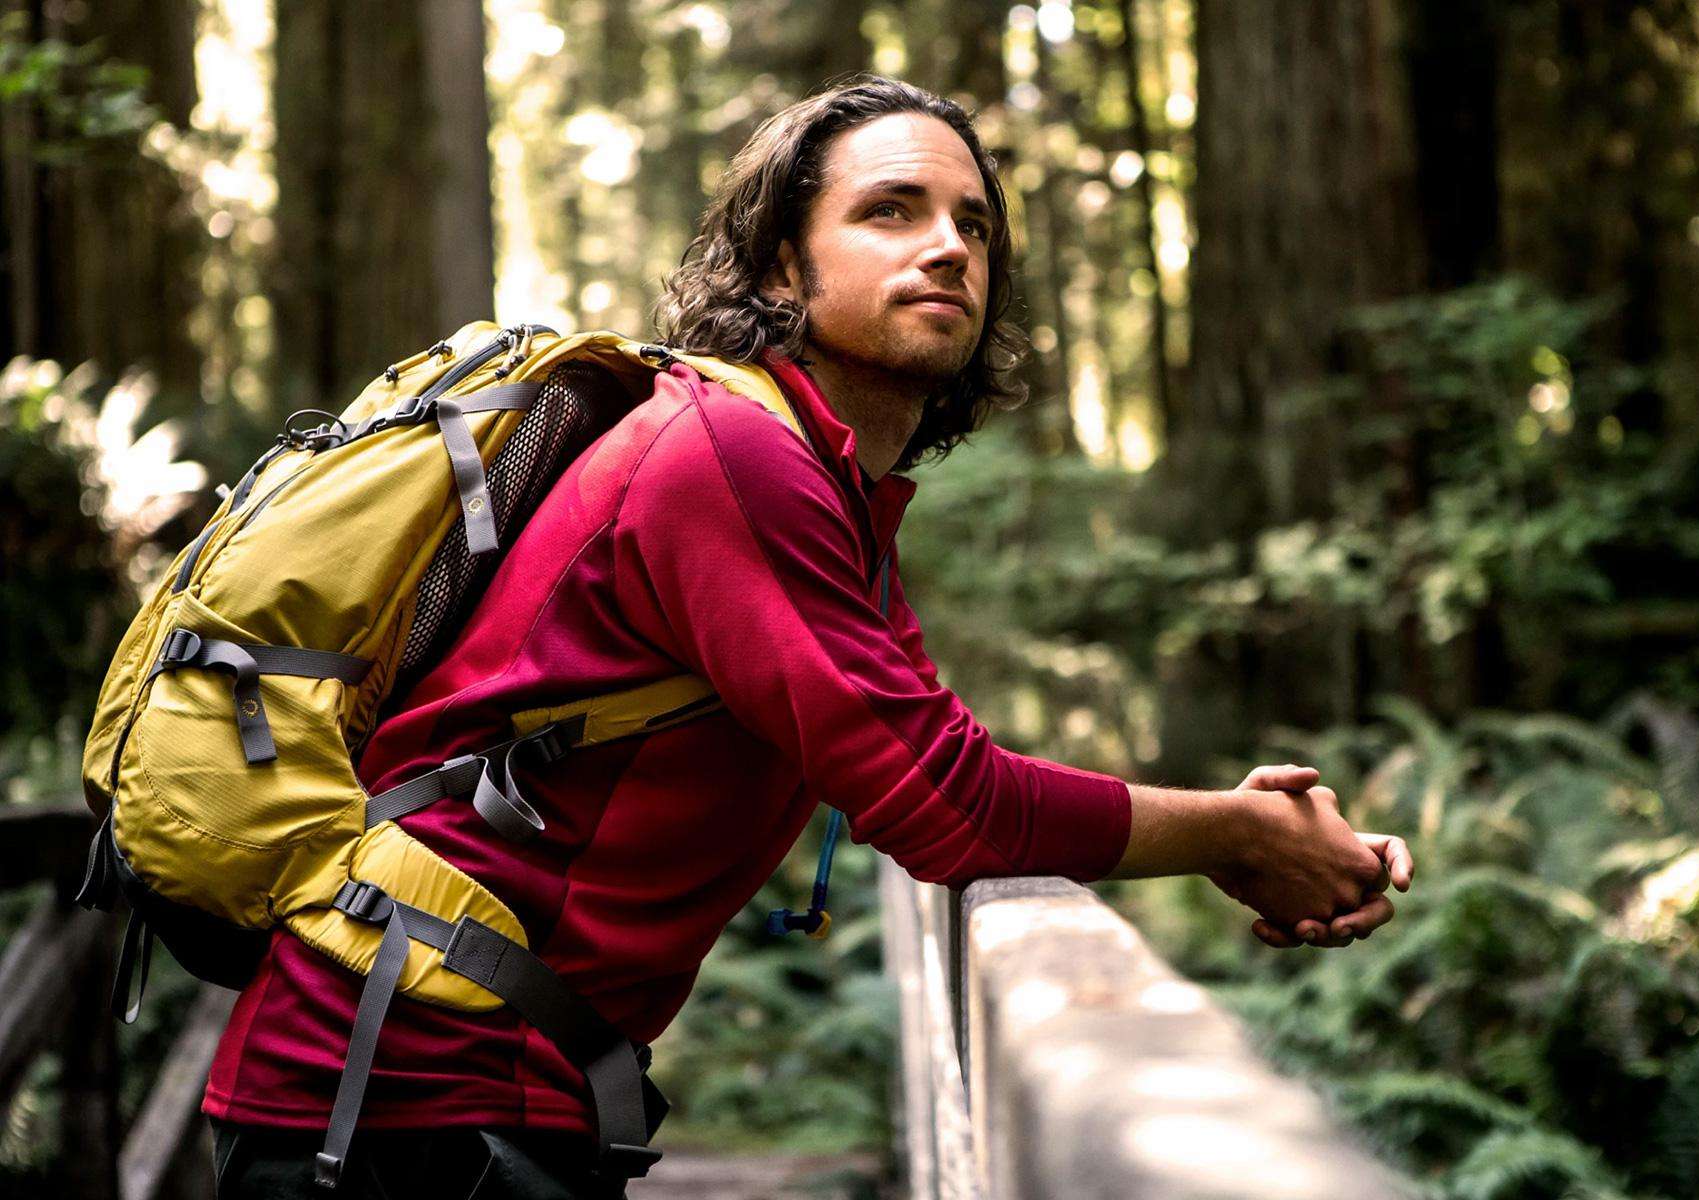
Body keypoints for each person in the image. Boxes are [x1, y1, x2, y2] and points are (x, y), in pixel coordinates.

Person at [203, 74, 1411, 1199]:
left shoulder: (825, 483)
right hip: (398, 1104)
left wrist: (1252, 833)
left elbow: (932, 759)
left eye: (973, 224)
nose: (948, 246)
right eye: (891, 210)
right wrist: (1237, 834)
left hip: (466, 1086)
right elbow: (950, 809)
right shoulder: (733, 457)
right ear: (782, 269)